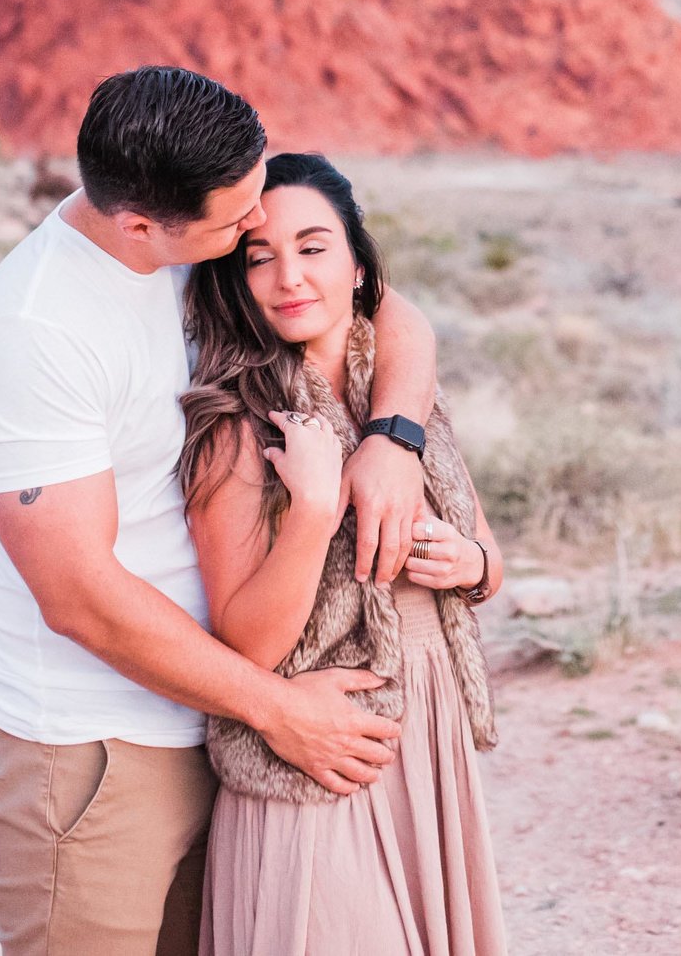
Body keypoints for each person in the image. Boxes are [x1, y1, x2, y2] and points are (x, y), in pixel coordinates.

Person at [0, 68, 446, 956]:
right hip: (92, 756)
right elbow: (79, 594)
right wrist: (279, 710)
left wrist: (395, 437)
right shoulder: (35, 335)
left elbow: (379, 301)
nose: (257, 225)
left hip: (214, 724)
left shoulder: (191, 253)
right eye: (238, 216)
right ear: (141, 223)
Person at [178, 153, 507, 956]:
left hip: (426, 737)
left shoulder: (406, 394)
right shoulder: (238, 420)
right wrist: (315, 510)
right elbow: (248, 642)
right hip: (318, 759)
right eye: (260, 258)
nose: (288, 275)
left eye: (314, 246)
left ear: (359, 266)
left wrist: (467, 563)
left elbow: (491, 561)